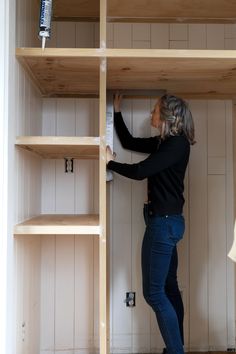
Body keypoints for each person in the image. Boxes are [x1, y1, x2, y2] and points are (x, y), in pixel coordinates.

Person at [106, 93, 195, 354]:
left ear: (168, 116)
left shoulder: (176, 145)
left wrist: (109, 162)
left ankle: (176, 350)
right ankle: (177, 348)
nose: (151, 115)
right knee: (168, 288)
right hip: (168, 224)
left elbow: (141, 171)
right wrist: (118, 112)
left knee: (154, 293)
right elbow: (130, 141)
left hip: (163, 225)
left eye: (155, 110)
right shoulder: (165, 143)